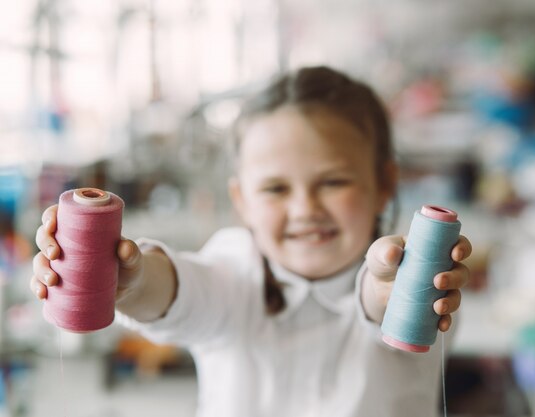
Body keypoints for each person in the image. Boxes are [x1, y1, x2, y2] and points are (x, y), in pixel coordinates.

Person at [31, 66, 472, 417]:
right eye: (276, 189)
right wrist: (130, 279)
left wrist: (383, 291)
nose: (304, 209)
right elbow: (181, 289)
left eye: (333, 182)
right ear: (241, 199)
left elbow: (380, 305)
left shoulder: (422, 282)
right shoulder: (234, 268)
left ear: (384, 183)